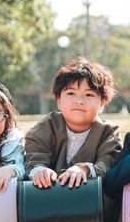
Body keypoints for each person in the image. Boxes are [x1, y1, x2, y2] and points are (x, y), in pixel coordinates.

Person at [24, 57, 121, 190]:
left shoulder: (108, 132)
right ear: (59, 100)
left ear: (102, 104)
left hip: (90, 197)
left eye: (89, 95)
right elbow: (34, 157)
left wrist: (85, 169)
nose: (79, 100)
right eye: (71, 93)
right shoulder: (46, 126)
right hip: (48, 195)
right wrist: (39, 170)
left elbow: (109, 162)